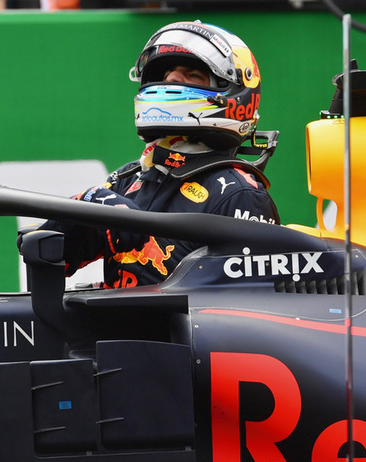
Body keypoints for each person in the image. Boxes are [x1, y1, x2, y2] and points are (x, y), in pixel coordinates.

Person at [34, 21, 280, 289]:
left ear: (232, 94)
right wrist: (85, 201)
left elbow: (245, 310)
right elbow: (45, 256)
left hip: (176, 330)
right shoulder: (128, 179)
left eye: (192, 75)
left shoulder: (240, 194)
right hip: (112, 330)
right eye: (167, 73)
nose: (172, 79)